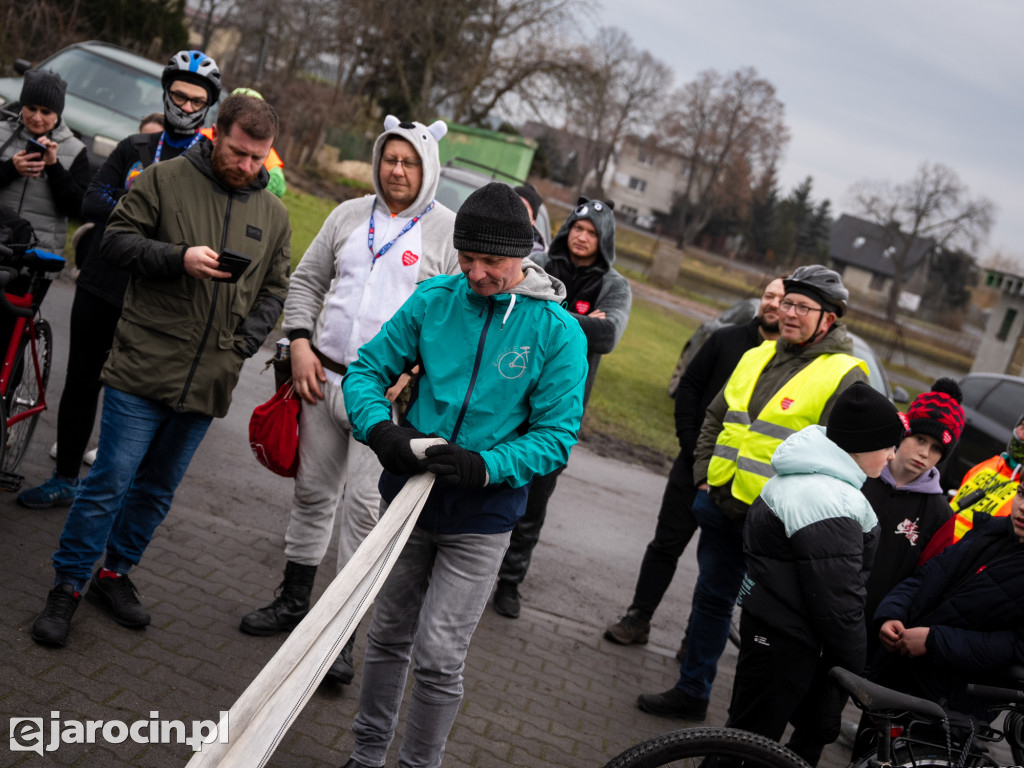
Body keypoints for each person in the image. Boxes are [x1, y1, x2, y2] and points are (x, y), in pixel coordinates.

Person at [339, 181, 588, 768]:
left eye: (491, 262)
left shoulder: (558, 333)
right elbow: (367, 371)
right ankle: (367, 756)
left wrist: (485, 466)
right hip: (408, 502)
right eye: (467, 257)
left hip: (482, 516)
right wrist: (381, 431)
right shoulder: (434, 299)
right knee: (388, 635)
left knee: (439, 655)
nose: (476, 273)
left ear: (524, 254)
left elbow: (555, 439)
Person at [30, 93, 291, 648]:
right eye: (241, 154)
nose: (249, 168)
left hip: (209, 377)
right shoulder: (164, 179)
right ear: (218, 134)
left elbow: (274, 289)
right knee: (110, 480)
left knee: (156, 490)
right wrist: (178, 258)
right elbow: (116, 242)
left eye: (259, 159)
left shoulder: (272, 212)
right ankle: (68, 585)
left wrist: (243, 343)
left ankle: (114, 575)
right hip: (144, 363)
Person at [237, 115, 459, 686]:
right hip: (321, 379)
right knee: (312, 497)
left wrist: (413, 373)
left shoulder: (447, 235)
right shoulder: (347, 215)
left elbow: (455, 321)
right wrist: (300, 343)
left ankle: (337, 637)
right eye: (390, 158)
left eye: (410, 161)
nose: (398, 169)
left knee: (363, 510)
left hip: (384, 403)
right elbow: (307, 281)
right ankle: (293, 601)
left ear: (428, 168)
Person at [637, 264, 869, 721]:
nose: (790, 313)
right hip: (723, 507)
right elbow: (715, 416)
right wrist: (704, 475)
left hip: (782, 529)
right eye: (787, 303)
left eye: (804, 307)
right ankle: (693, 690)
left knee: (767, 625)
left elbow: (847, 461)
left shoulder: (845, 374)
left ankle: (742, 725)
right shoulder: (756, 354)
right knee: (711, 599)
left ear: (830, 318)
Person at [17, 50, 222, 510]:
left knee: (134, 397)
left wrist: (134, 219)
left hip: (158, 300)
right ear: (166, 94)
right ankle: (65, 477)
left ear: (208, 105)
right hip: (101, 285)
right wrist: (153, 223)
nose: (186, 107)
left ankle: (112, 493)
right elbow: (92, 201)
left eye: (196, 100)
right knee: (81, 383)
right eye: (179, 96)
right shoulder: (135, 147)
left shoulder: (208, 164)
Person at [725, 382, 906, 766]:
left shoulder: (809, 476)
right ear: (862, 443)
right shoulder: (828, 498)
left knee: (739, 739)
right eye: (889, 444)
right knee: (746, 749)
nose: (892, 455)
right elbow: (839, 603)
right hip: (788, 640)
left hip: (773, 628)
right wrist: (857, 669)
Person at [605, 277, 784, 647]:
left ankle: (695, 639)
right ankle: (638, 617)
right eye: (769, 295)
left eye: (783, 299)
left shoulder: (791, 368)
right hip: (693, 467)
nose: (773, 304)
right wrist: (693, 452)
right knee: (665, 546)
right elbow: (688, 389)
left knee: (719, 570)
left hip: (745, 486)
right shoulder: (725, 340)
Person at [492, 196, 632, 618]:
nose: (582, 237)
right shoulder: (542, 265)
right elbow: (509, 307)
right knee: (493, 484)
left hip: (559, 410)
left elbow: (607, 337)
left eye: (591, 232)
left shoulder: (614, 285)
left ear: (604, 238)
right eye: (577, 228)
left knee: (534, 501)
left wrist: (548, 313)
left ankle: (509, 581)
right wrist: (578, 320)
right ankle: (474, 564)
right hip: (510, 396)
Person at [868, 488, 1024, 726]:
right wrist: (891, 614)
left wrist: (934, 641)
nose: (1022, 506)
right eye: (1022, 493)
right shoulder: (988, 532)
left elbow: (1014, 648)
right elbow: (926, 576)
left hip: (950, 708)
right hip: (896, 678)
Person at [0, 68, 88, 255]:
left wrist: (54, 167)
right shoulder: (1, 133)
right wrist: (10, 169)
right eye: (31, 108)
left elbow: (78, 209)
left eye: (45, 112)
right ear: (21, 105)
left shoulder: (75, 149)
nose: (36, 118)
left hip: (38, 256)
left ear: (57, 114)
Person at [919, 412, 1024, 562]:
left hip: (962, 563)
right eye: (1023, 426)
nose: (1022, 434)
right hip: (931, 546)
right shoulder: (991, 464)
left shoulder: (1021, 494)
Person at [200, 87, 286, 198]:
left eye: (256, 158)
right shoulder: (201, 135)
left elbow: (278, 186)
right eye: (237, 151)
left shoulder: (264, 150)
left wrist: (245, 187)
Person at [513, 182, 546, 253]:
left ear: (533, 220)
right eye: (513, 203)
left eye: (524, 207)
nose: (517, 209)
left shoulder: (538, 255)